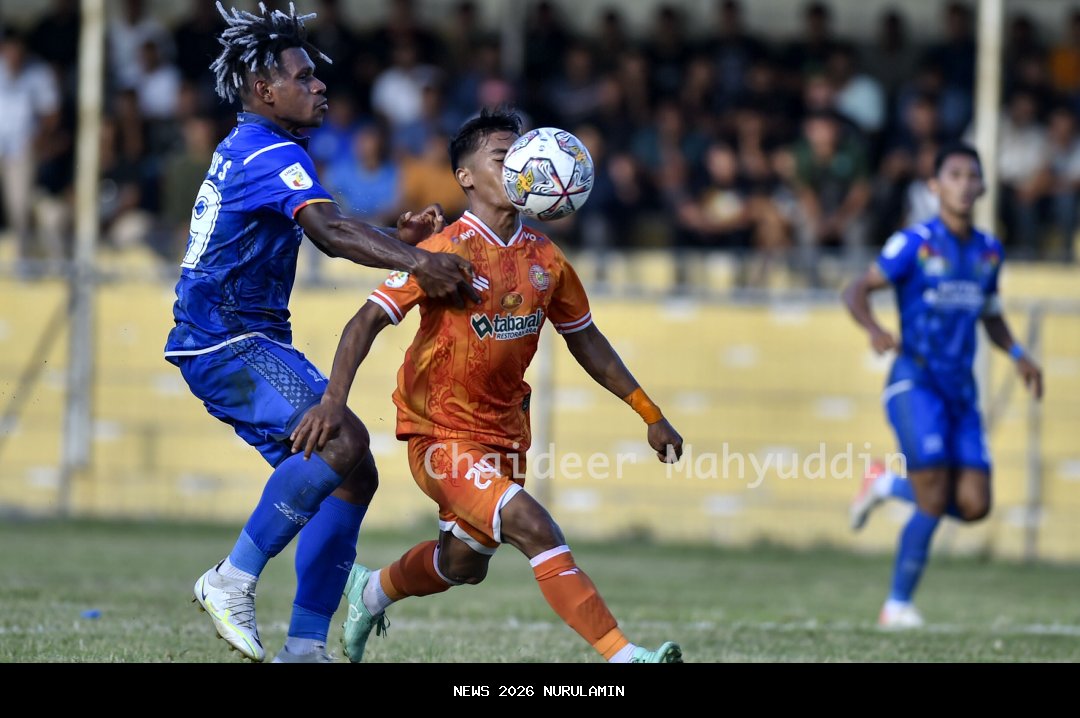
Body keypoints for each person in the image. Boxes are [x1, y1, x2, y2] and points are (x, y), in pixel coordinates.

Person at [290, 108, 685, 663]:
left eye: (524, 154)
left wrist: (649, 411)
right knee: (532, 524)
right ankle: (624, 658)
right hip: (439, 434)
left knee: (463, 565)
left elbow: (587, 340)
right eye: (504, 157)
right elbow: (365, 320)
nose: (521, 167)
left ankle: (370, 590)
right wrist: (334, 402)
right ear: (467, 176)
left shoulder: (547, 260)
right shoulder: (441, 251)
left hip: (502, 435)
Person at [164, 3, 479, 664]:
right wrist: (420, 260)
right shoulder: (266, 149)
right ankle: (231, 578)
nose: (318, 86)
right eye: (303, 77)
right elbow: (330, 234)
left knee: (353, 474)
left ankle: (305, 646)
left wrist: (398, 241)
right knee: (341, 437)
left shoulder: (266, 148)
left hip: (239, 337)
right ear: (263, 89)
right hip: (227, 338)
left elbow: (331, 219)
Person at [842, 143, 1043, 628]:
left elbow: (990, 314)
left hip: (961, 394)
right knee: (933, 497)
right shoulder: (914, 242)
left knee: (975, 505)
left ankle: (886, 484)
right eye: (953, 174)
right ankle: (896, 605)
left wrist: (1017, 354)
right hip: (915, 383)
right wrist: (873, 329)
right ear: (934, 186)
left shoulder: (988, 251)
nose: (964, 183)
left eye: (972, 176)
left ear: (982, 187)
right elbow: (855, 289)